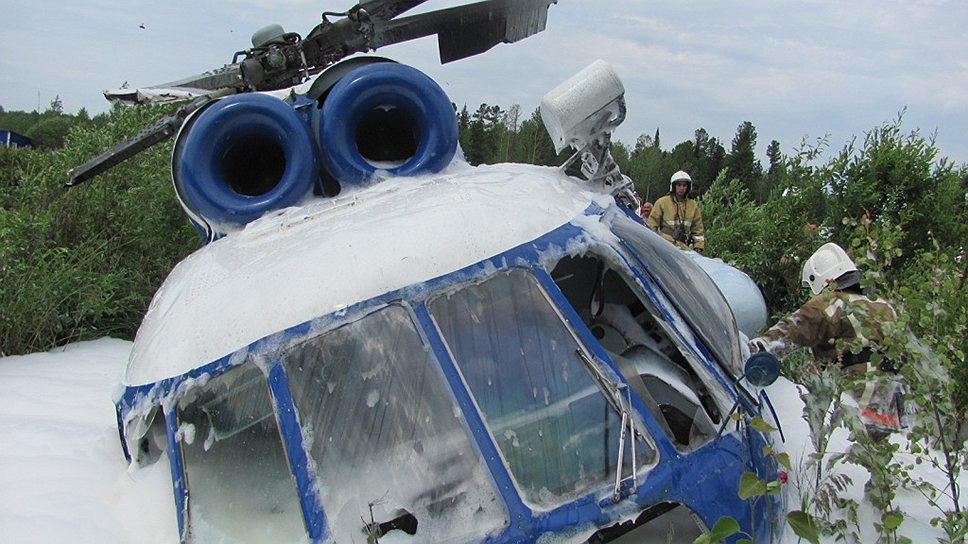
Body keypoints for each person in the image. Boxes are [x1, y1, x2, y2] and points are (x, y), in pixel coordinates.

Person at [749, 242, 903, 431]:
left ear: (822, 279)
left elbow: (791, 330)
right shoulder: (885, 306)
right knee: (885, 445)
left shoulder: (830, 303)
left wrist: (753, 349)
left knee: (849, 445)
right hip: (892, 399)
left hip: (856, 397)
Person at [647, 171, 705, 253]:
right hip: (664, 246)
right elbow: (651, 225)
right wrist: (653, 244)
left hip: (684, 249)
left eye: (684, 185)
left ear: (688, 187)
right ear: (673, 186)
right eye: (679, 185)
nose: (682, 188)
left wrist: (698, 247)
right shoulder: (662, 202)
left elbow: (698, 229)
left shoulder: (693, 205)